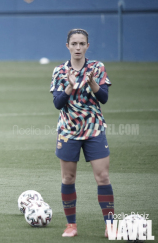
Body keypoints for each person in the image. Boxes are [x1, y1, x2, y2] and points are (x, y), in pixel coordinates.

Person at [49, 29, 114, 237]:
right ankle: (71, 226)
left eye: (82, 43)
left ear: (87, 46)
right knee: (68, 178)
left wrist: (93, 82)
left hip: (94, 129)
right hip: (68, 131)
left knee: (103, 177)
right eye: (74, 44)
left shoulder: (97, 67)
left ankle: (110, 226)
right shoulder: (59, 71)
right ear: (67, 46)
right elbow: (58, 103)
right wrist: (69, 86)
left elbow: (103, 98)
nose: (78, 47)